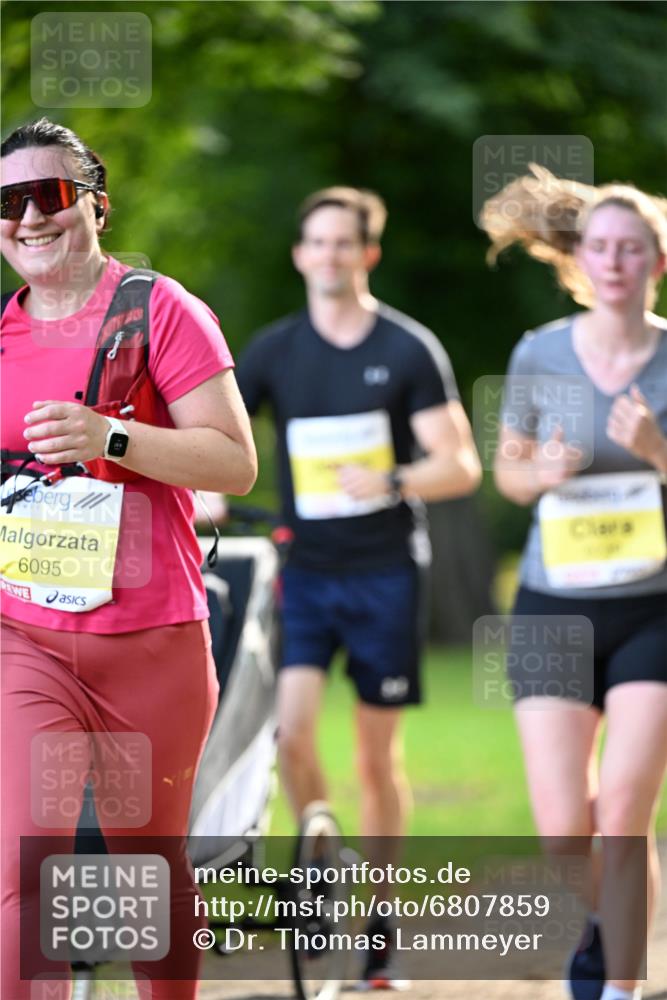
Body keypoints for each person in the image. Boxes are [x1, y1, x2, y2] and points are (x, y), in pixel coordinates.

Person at [0, 118, 257, 1000]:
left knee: (147, 872)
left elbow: (234, 461)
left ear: (96, 207)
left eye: (52, 195)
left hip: (152, 643)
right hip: (22, 640)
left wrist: (110, 435)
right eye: (8, 203)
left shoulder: (159, 309)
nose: (29, 218)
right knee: (22, 870)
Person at [233, 185, 481, 985]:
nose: (331, 255)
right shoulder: (273, 350)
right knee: (292, 734)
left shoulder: (408, 349)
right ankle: (322, 858)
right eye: (318, 243)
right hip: (303, 573)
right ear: (301, 254)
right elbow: (221, 439)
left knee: (378, 762)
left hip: (383, 575)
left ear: (367, 253)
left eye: (346, 243)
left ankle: (382, 921)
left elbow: (460, 466)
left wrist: (392, 478)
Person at [481, 165, 667, 1000]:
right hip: (554, 605)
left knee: (623, 818)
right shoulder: (539, 353)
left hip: (652, 609)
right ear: (578, 260)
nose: (615, 262)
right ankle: (598, 933)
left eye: (632, 248)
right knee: (564, 831)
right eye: (601, 247)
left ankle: (617, 988)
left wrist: (657, 452)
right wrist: (543, 468)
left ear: (655, 262)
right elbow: (507, 474)